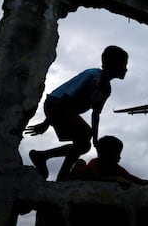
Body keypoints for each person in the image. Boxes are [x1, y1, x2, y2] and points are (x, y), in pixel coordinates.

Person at [24, 45, 128, 181]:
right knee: (85, 133)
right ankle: (62, 177)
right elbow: (66, 99)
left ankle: (42, 156)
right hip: (55, 105)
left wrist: (96, 139)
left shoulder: (106, 89)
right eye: (124, 64)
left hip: (67, 111)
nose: (126, 69)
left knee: (84, 145)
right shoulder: (92, 76)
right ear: (113, 65)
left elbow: (96, 114)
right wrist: (46, 123)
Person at [84, 135, 148, 186]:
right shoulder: (94, 163)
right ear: (107, 153)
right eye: (117, 153)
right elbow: (96, 178)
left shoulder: (117, 168)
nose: (120, 157)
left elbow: (137, 180)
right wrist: (115, 178)